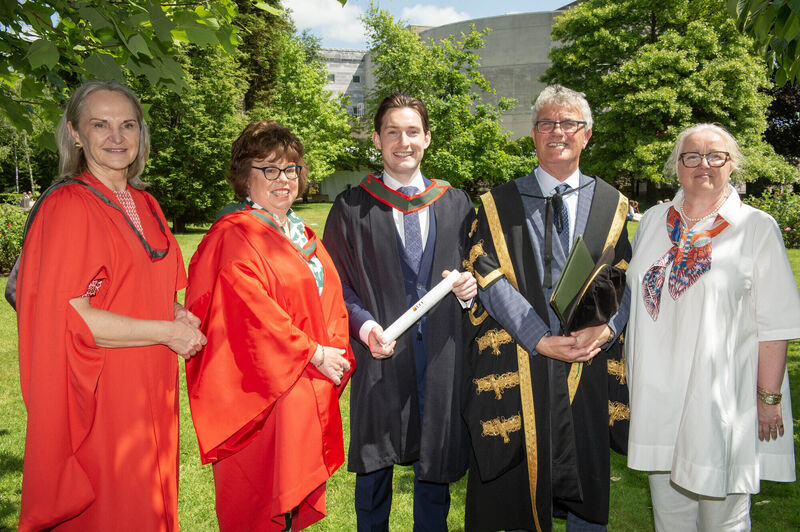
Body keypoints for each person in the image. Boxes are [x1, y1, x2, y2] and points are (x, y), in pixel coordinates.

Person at [16, 80, 206, 531]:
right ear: (74, 133)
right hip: (104, 394)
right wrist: (166, 331)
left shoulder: (146, 202)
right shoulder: (68, 206)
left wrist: (174, 312)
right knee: (115, 509)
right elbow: (72, 315)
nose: (116, 137)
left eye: (127, 125)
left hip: (152, 390)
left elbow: (150, 285)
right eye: (99, 124)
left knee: (152, 500)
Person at [462, 84, 632, 532]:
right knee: (519, 490)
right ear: (533, 135)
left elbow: (626, 277)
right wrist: (538, 337)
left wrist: (607, 330)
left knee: (586, 487)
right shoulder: (497, 204)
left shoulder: (614, 204)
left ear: (587, 134)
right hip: (521, 361)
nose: (557, 131)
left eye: (569, 123)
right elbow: (485, 273)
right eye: (546, 124)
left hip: (586, 361)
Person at [624, 123, 800, 531]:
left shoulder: (756, 227)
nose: (703, 164)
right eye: (692, 156)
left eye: (715, 156)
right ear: (677, 167)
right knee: (669, 517)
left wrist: (768, 399)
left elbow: (775, 321)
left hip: (720, 399)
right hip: (658, 397)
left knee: (724, 519)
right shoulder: (652, 221)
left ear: (732, 164)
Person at [184, 121, 355, 532]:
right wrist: (314, 353)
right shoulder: (234, 236)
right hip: (261, 395)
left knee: (290, 505)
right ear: (245, 177)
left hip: (307, 387)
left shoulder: (301, 234)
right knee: (260, 504)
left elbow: (329, 300)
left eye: (291, 168)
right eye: (269, 169)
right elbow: (249, 313)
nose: (283, 180)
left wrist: (334, 352)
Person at [323, 93, 477, 531]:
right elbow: (338, 286)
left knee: (435, 470)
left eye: (412, 131)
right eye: (392, 131)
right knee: (375, 468)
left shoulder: (456, 204)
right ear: (377, 138)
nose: (403, 141)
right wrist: (366, 326)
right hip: (380, 356)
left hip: (442, 357)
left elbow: (475, 273)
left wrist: (469, 290)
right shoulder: (352, 208)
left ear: (427, 138)